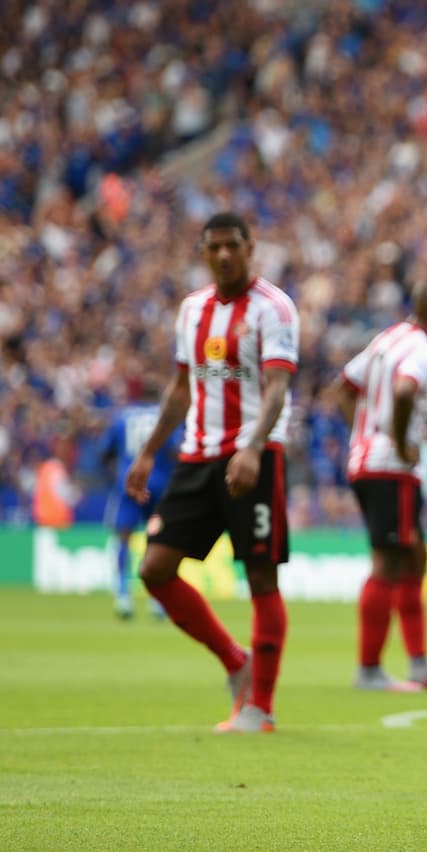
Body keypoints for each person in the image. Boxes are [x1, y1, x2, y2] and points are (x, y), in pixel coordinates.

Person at [126, 211, 298, 734]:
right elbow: (182, 388)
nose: (223, 255)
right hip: (197, 457)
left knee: (261, 576)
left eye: (232, 246)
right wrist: (149, 452)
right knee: (155, 569)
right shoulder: (192, 311)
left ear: (251, 247)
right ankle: (234, 661)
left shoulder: (274, 309)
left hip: (253, 458)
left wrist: (252, 447)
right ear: (203, 252)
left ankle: (259, 708)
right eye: (214, 247)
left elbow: (276, 388)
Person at [334, 281, 427, 692]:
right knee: (389, 562)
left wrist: (362, 433)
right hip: (390, 467)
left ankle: (420, 665)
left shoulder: (386, 339)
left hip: (371, 462)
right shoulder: (422, 348)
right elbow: (406, 390)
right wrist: (401, 441)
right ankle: (368, 669)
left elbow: (343, 387)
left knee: (413, 558)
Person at [99, 394, 182, 620]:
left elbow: (105, 452)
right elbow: (176, 449)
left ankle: (123, 596)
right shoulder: (166, 416)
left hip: (129, 482)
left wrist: (115, 475)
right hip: (160, 485)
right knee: (156, 539)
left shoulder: (123, 416)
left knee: (123, 537)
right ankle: (157, 600)